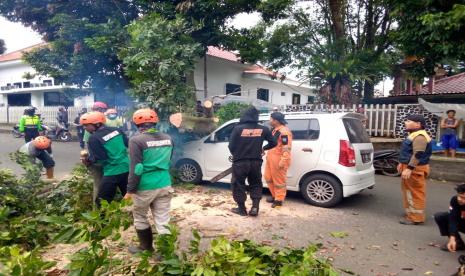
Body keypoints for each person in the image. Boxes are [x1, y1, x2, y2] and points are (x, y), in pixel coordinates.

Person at [124, 108, 174, 254]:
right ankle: (165, 254)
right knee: (163, 219)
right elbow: (169, 159)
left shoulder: (136, 140)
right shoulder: (168, 138)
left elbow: (137, 168)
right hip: (164, 182)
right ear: (155, 122)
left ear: (136, 124)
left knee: (139, 216)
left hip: (145, 186)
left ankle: (146, 247)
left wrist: (130, 190)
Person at [228, 107, 277, 217]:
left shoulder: (238, 129)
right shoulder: (264, 129)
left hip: (240, 162)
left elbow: (231, 146)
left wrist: (237, 154)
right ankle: (255, 207)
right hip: (256, 162)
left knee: (238, 184)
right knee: (255, 183)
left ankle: (242, 209)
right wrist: (264, 148)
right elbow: (273, 143)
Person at [80, 111, 129, 206]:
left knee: (102, 202)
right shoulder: (117, 130)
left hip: (112, 171)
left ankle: (101, 219)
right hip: (127, 167)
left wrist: (87, 161)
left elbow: (100, 158)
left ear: (97, 124)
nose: (84, 128)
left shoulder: (94, 138)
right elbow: (127, 144)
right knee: (129, 197)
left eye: (86, 125)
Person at [397, 114, 432, 225]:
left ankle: (415, 218)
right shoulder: (414, 135)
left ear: (418, 124)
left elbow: (418, 154)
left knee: (415, 193)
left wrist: (409, 168)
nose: (405, 123)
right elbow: (408, 152)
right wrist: (401, 163)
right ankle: (411, 213)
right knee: (408, 192)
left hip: (415, 169)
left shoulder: (420, 136)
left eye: (408, 121)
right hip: (409, 167)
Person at [264, 112, 293, 208]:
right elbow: (273, 144)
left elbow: (286, 148)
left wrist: (283, 160)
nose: (270, 120)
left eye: (271, 119)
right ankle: (274, 196)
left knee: (279, 180)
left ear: (276, 121)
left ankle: (279, 200)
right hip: (271, 158)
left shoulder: (284, 132)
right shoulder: (275, 130)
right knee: (268, 177)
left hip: (278, 159)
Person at [434, 183, 465, 252]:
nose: (460, 199)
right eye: (459, 196)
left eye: (463, 198)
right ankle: (458, 243)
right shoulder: (455, 200)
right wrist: (452, 237)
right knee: (441, 216)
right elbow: (453, 219)